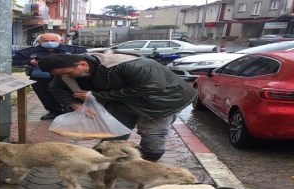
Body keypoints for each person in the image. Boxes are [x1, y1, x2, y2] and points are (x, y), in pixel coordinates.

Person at [37, 50, 197, 162]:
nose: (64, 77)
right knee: (113, 132)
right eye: (59, 74)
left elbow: (152, 87)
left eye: (67, 73)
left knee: (152, 134)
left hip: (159, 102)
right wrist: (76, 105)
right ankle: (107, 159)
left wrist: (97, 96)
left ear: (82, 64)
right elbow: (56, 88)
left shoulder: (131, 65)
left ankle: (145, 164)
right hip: (121, 101)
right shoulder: (65, 73)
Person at [12, 33, 87, 120]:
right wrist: (30, 62)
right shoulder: (27, 52)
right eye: (45, 41)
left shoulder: (75, 50)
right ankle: (55, 111)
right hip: (41, 77)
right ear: (39, 42)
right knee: (45, 95)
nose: (49, 42)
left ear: (60, 41)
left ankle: (74, 110)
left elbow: (87, 59)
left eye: (52, 40)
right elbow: (15, 62)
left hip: (69, 77)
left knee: (72, 93)